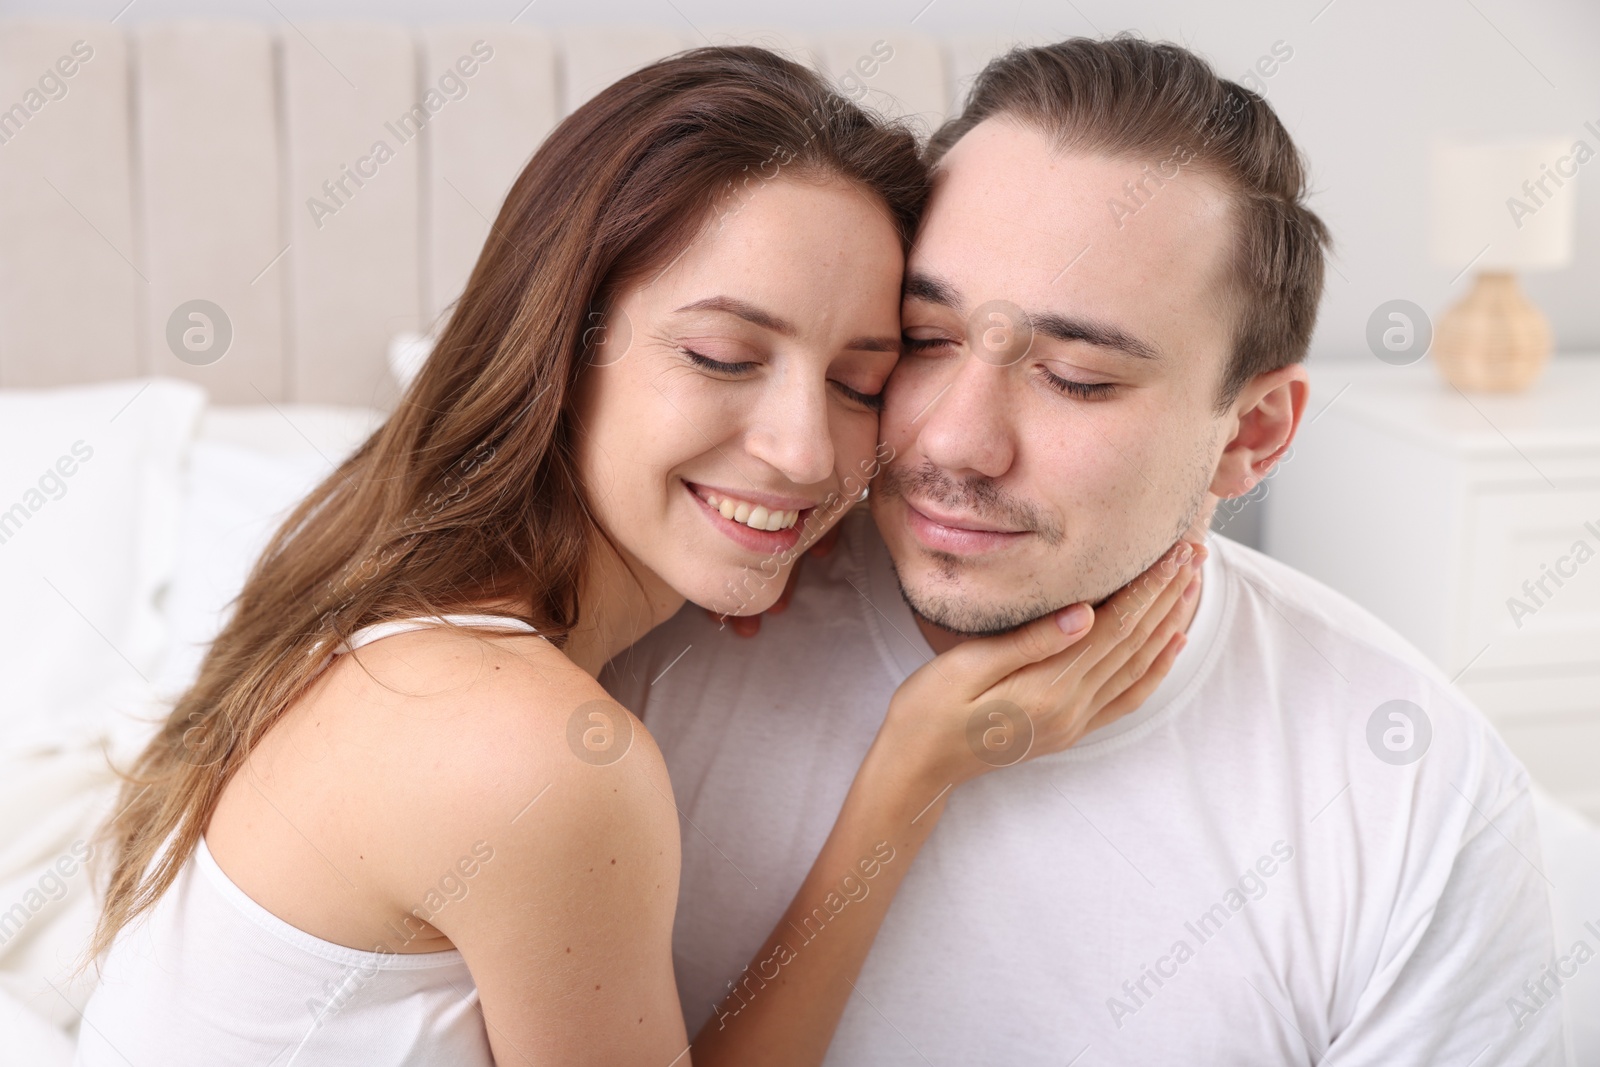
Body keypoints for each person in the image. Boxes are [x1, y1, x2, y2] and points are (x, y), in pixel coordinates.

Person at [70, 47, 1187, 1067]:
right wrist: (909, 774)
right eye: (720, 355)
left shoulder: (369, 564)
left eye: (859, 381)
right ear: (565, 344)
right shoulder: (537, 756)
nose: (802, 452)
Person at [603, 37, 1566, 1066]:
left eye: (1074, 376)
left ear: (1251, 434)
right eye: (925, 338)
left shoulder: (1414, 795)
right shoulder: (639, 647)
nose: (954, 441)